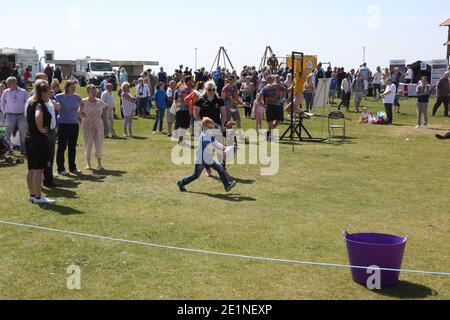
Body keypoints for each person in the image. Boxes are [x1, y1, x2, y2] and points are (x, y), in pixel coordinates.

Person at [176, 117, 237, 193]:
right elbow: (213, 146)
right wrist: (225, 150)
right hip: (201, 159)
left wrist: (226, 148)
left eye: (212, 127)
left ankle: (227, 185)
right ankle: (181, 183)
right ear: (204, 127)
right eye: (210, 127)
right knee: (196, 175)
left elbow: (216, 144)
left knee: (220, 169)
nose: (212, 129)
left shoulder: (209, 135)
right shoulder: (204, 136)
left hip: (207, 158)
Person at [25, 81, 55, 204]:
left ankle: (32, 195)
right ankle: (38, 197)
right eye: (49, 92)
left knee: (31, 168)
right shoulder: (40, 104)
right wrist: (40, 128)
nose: (50, 94)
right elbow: (38, 116)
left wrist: (32, 129)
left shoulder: (31, 102)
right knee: (38, 169)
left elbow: (26, 119)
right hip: (38, 140)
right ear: (43, 93)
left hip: (30, 138)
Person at [55, 80, 83, 176]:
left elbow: (82, 103)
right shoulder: (59, 97)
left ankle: (73, 168)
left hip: (74, 124)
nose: (74, 89)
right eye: (72, 87)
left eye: (75, 87)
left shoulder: (76, 96)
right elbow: (54, 106)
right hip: (63, 124)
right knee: (62, 147)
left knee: (72, 147)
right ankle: (61, 169)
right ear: (67, 87)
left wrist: (79, 112)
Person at [80, 85, 107, 171]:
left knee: (99, 145)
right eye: (92, 92)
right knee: (88, 145)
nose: (95, 93)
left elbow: (105, 108)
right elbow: (80, 113)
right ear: (88, 92)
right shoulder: (83, 102)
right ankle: (88, 164)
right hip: (88, 126)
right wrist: (86, 120)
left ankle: (99, 164)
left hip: (99, 126)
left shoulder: (99, 101)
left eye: (95, 91)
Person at [1, 77, 29, 155]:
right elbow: (2, 103)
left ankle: (24, 150)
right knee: (7, 134)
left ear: (13, 83)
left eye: (8, 84)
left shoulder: (23, 92)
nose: (7, 85)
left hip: (21, 115)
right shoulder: (5, 92)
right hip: (10, 115)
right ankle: (8, 151)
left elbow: (27, 104)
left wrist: (26, 114)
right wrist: (4, 112)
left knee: (23, 133)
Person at [261, 75, 292, 141]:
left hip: (277, 105)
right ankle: (270, 135)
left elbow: (287, 90)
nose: (270, 80)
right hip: (271, 106)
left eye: (270, 78)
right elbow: (288, 90)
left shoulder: (277, 86)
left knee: (277, 120)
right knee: (271, 121)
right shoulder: (266, 88)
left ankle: (269, 133)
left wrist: (293, 86)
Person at [175, 75, 194, 146]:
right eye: (192, 80)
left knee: (185, 126)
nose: (193, 81)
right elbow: (186, 98)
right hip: (183, 109)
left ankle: (182, 141)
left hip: (185, 109)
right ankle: (180, 141)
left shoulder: (187, 88)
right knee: (183, 125)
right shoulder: (185, 88)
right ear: (188, 81)